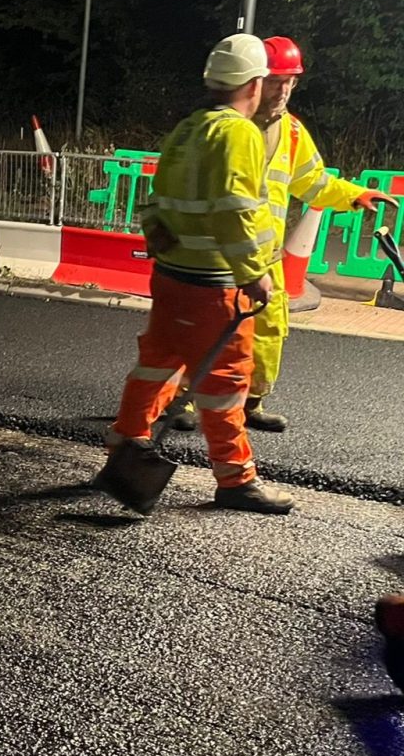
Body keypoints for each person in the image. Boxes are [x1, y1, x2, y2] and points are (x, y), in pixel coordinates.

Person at [99, 33, 293, 514]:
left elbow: (154, 197)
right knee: (226, 385)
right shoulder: (240, 133)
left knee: (156, 365)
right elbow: (234, 210)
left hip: (172, 278)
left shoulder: (187, 128)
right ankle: (236, 480)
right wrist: (253, 273)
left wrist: (156, 233)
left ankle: (125, 444)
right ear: (253, 82)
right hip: (214, 285)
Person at [169, 36, 396, 432]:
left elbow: (313, 182)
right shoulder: (227, 127)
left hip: (263, 259)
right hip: (218, 259)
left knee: (269, 333)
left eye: (291, 81)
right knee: (204, 332)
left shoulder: (291, 132)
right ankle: (181, 401)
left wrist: (355, 195)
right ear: (255, 80)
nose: (283, 90)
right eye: (276, 80)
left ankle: (249, 403)